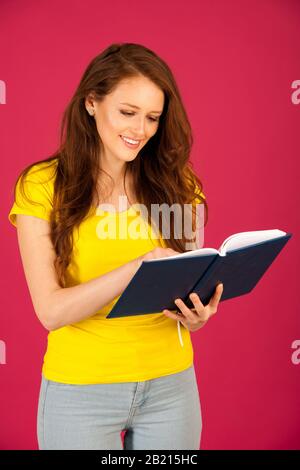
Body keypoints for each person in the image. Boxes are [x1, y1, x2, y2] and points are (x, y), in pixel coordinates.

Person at [8, 42, 223, 450]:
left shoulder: (181, 185)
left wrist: (196, 315)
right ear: (91, 102)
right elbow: (51, 311)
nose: (139, 130)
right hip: (81, 390)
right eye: (127, 112)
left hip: (171, 387)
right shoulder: (40, 185)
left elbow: (189, 280)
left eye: (152, 118)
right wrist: (137, 268)